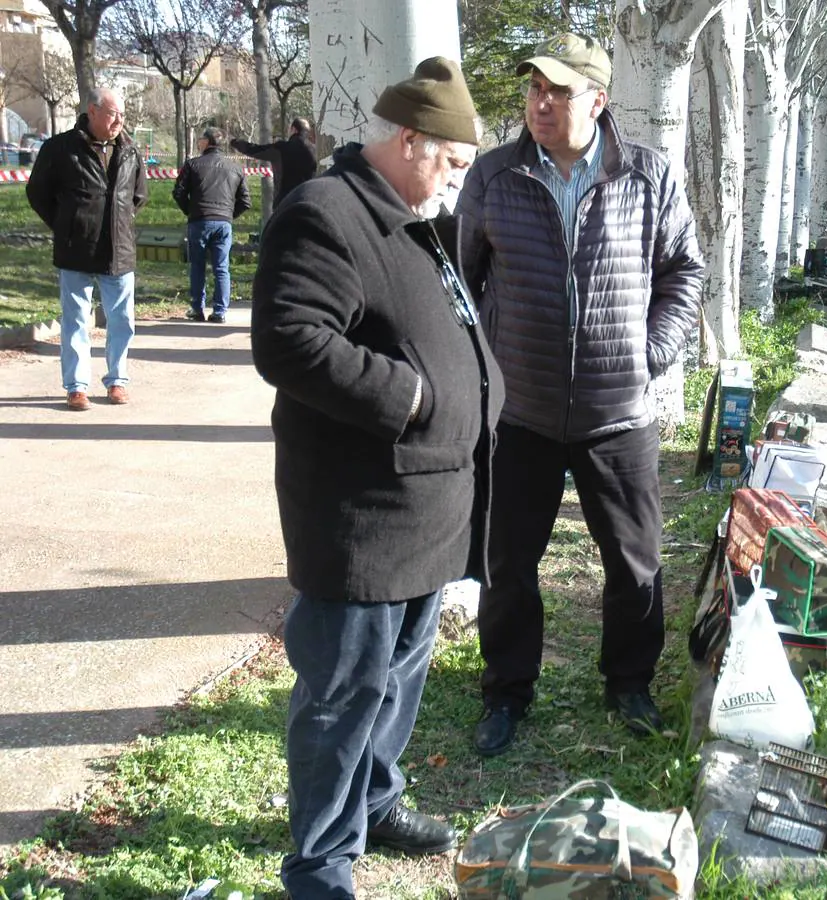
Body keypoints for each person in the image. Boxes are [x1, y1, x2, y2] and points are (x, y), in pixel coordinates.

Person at [251, 58, 501, 900]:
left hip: (427, 506)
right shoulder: (325, 212)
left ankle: (377, 802)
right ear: (407, 140)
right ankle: (320, 866)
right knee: (342, 698)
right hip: (361, 514)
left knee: (398, 681)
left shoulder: (411, 212)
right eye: (452, 162)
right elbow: (290, 340)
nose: (457, 181)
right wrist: (417, 394)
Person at [457, 32, 704, 757]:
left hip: (617, 413)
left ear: (597, 100)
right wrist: (481, 371)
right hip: (521, 413)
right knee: (507, 564)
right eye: (533, 88)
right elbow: (463, 283)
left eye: (557, 91)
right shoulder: (494, 176)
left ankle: (627, 685)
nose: (540, 102)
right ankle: (506, 692)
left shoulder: (648, 176)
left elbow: (683, 273)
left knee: (634, 563)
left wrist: (649, 353)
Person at [25, 87, 147, 410]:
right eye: (112, 113)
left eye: (122, 114)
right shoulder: (60, 148)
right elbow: (38, 193)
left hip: (118, 250)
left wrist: (120, 223)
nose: (119, 120)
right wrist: (66, 224)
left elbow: (139, 195)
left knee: (122, 320)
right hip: (75, 249)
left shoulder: (130, 150)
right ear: (92, 112)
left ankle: (117, 381)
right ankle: (76, 387)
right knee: (76, 319)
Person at [173, 127, 250, 323]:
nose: (199, 142)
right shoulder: (235, 168)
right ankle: (220, 311)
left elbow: (178, 192)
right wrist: (228, 215)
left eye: (201, 139)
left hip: (199, 221)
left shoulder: (193, 165)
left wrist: (190, 211)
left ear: (207, 142)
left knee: (197, 266)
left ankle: (197, 308)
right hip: (224, 223)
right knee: (222, 268)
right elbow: (245, 201)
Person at [230, 117, 318, 205]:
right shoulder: (316, 151)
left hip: (284, 202)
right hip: (307, 201)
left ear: (293, 129)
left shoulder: (281, 148)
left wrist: (235, 142)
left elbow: (255, 150)